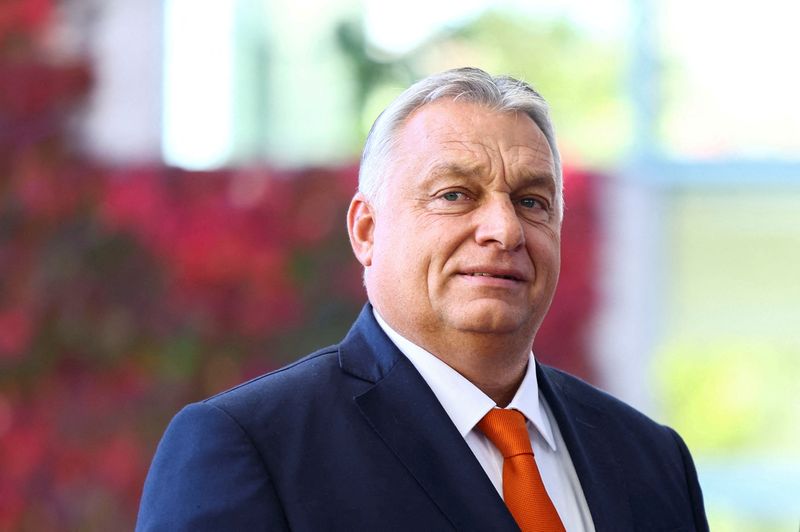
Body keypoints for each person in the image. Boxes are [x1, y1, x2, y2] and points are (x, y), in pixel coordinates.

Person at [137, 67, 708, 531]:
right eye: (455, 195)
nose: (504, 230)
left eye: (532, 201)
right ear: (366, 230)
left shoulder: (651, 460)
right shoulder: (253, 446)